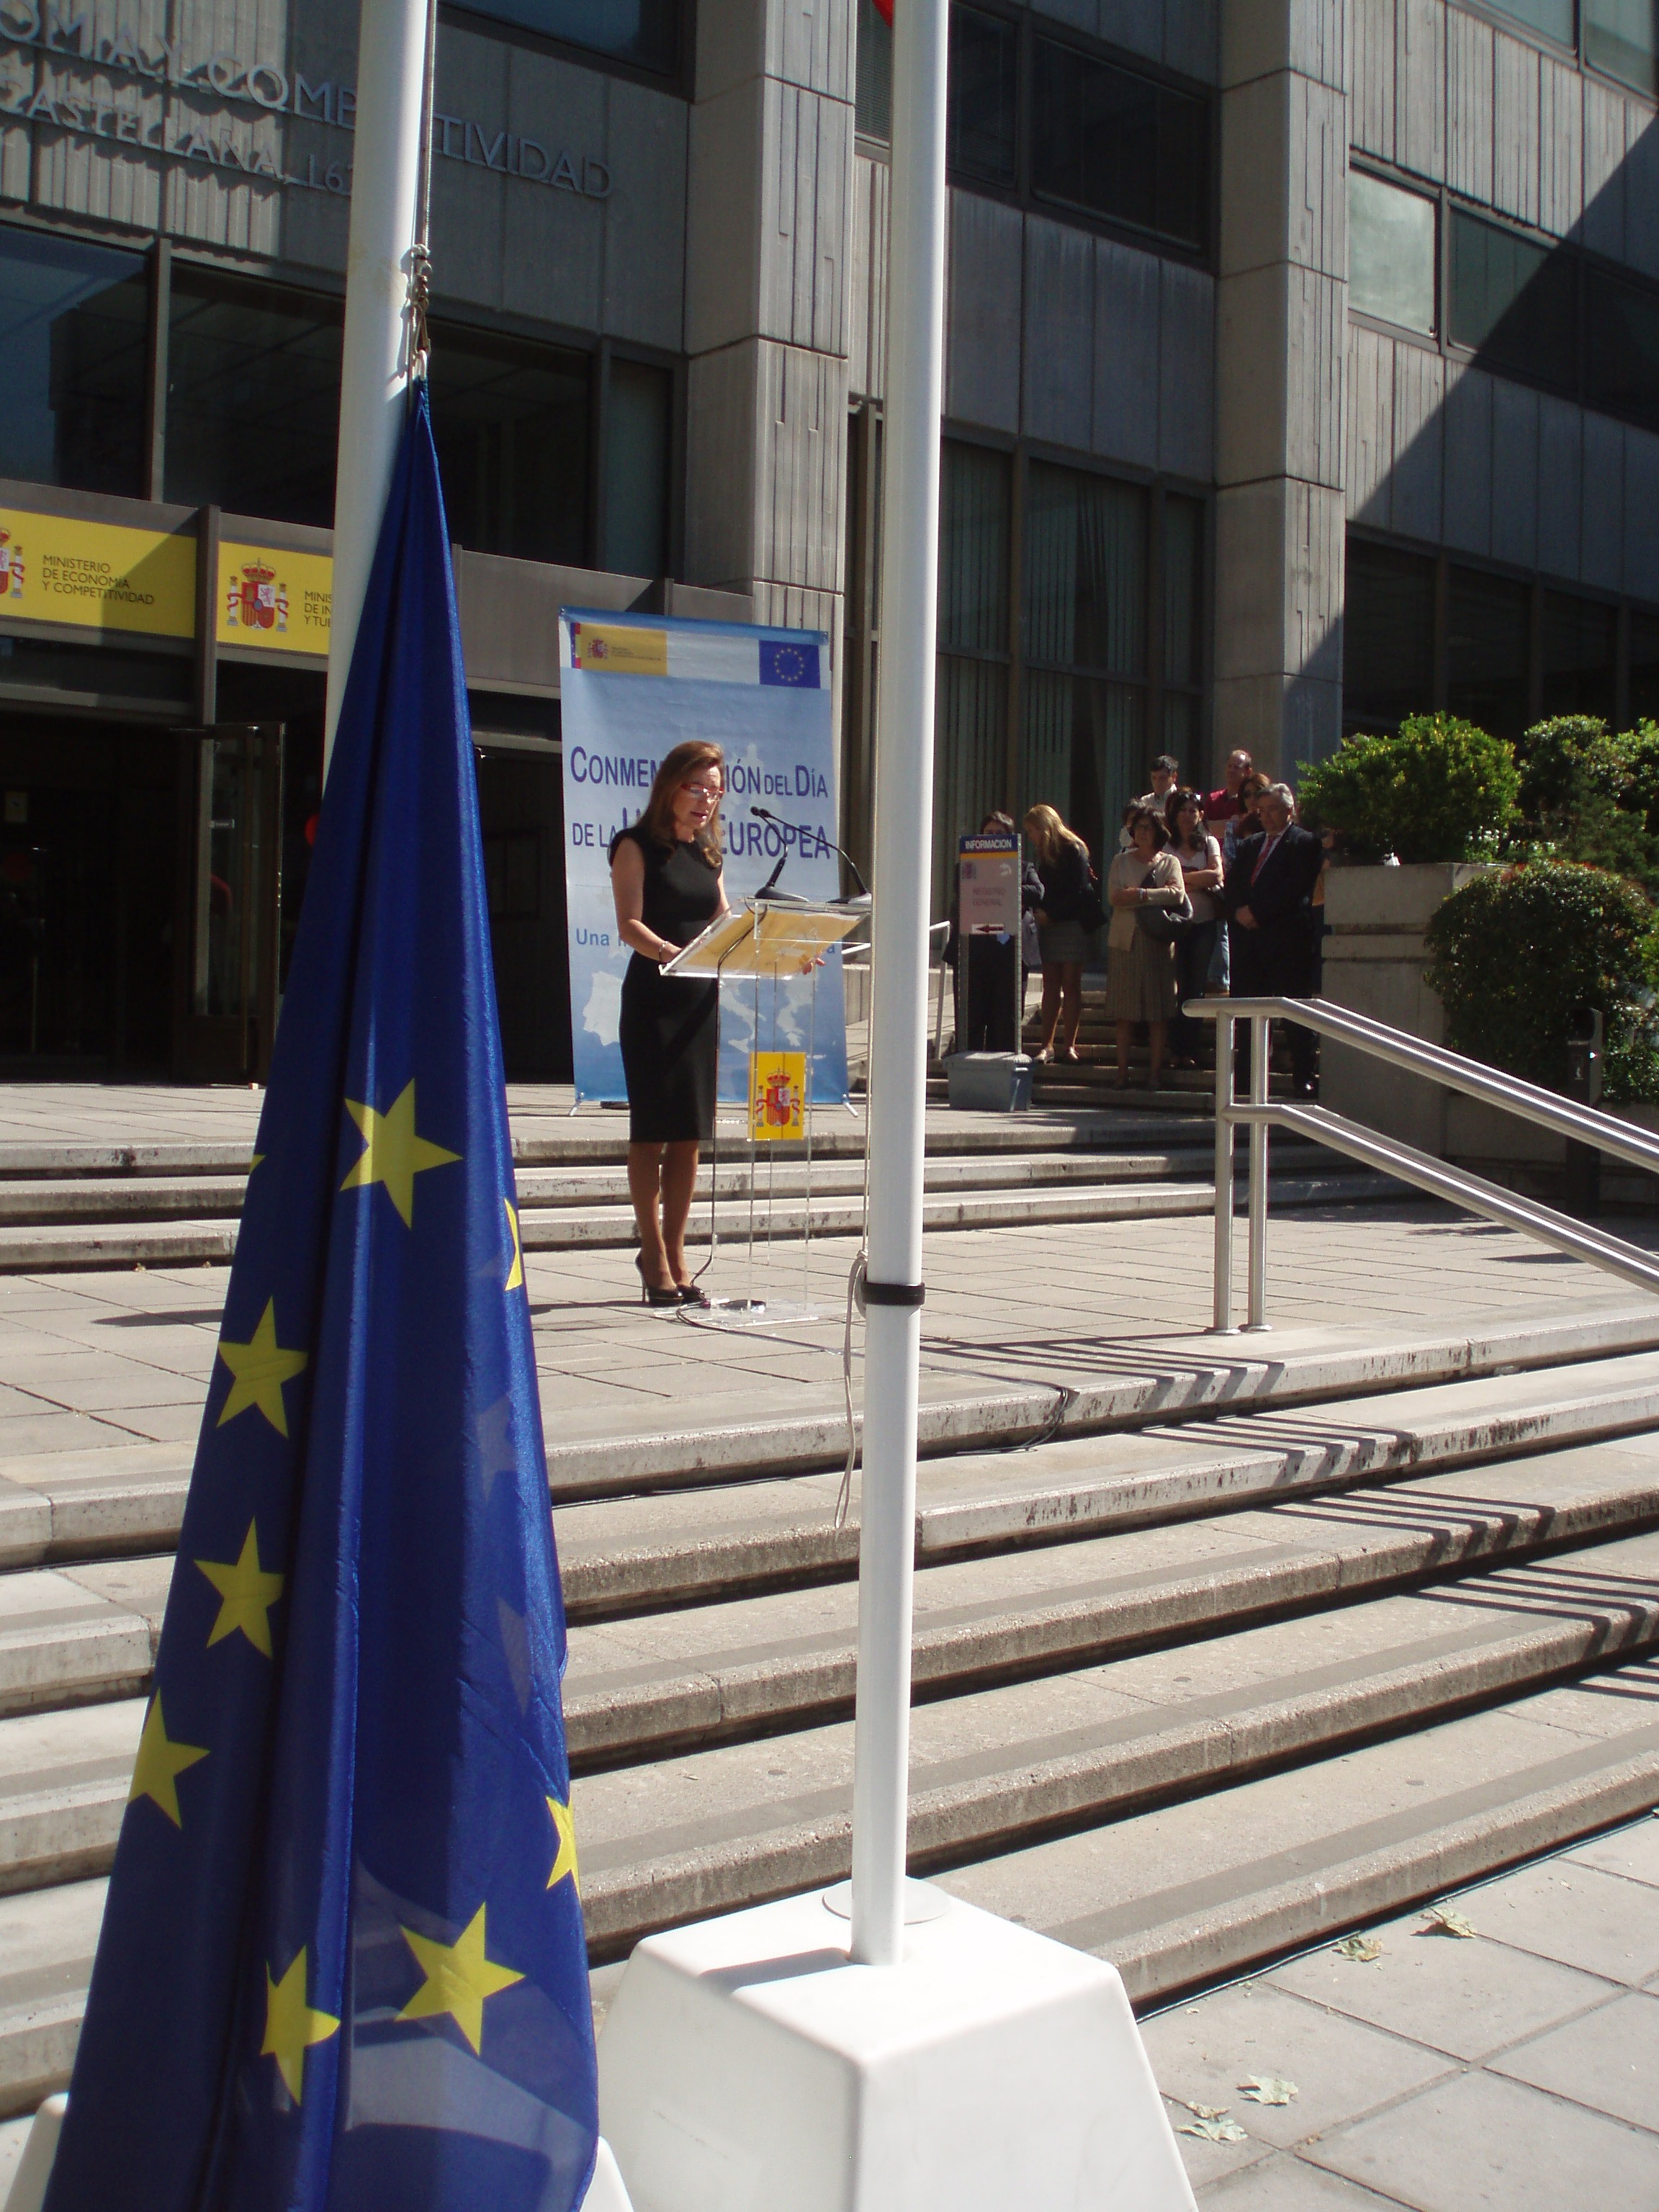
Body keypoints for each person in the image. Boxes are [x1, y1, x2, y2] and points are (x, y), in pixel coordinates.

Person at [609, 739, 729, 1305]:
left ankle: (678, 1251)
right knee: (653, 1130)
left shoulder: (708, 855)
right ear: (671, 787)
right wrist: (670, 953)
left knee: (689, 1135)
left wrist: (785, 951)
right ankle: (651, 1251)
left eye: (716, 789)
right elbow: (629, 925)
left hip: (699, 1004)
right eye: (697, 787)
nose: (707, 799)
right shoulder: (635, 846)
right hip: (655, 1002)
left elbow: (726, 926)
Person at [1221, 780, 1323, 1096]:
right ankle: (1247, 1078)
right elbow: (1234, 884)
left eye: (1272, 811)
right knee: (1249, 1012)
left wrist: (1258, 913)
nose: (1265, 817)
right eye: (1261, 811)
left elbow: (1295, 890)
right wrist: (1239, 911)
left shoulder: (1305, 843)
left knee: (1294, 1011)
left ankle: (1304, 1075)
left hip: (1286, 940)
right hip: (1249, 944)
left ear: (1289, 811)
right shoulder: (1250, 845)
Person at [1105, 805, 1189, 1089]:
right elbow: (1115, 897)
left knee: (1157, 1011)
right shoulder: (1121, 861)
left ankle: (1154, 1074)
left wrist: (1140, 894)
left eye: (1148, 827)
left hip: (1157, 944)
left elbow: (1177, 894)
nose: (1142, 832)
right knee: (1124, 1012)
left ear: (1158, 832)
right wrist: (1149, 897)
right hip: (1124, 943)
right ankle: (1120, 1073)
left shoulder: (1169, 863)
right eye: (1138, 827)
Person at [1023, 802, 1096, 1064]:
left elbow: (1079, 890)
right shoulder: (1044, 854)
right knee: (1051, 985)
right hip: (1049, 925)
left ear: (1045, 827)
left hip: (1072, 923)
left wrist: (1052, 914)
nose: (1030, 837)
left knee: (1071, 984)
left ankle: (1070, 1045)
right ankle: (1047, 1045)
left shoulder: (1074, 849)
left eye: (1032, 830)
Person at [1164, 788, 1223, 1064]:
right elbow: (1163, 882)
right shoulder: (1166, 845)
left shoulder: (1209, 843)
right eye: (1182, 810)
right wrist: (1193, 879)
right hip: (1174, 923)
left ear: (1200, 814)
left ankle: (1188, 1047)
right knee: (1177, 983)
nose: (1188, 816)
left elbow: (1216, 875)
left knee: (1196, 984)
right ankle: (1174, 1046)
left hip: (1204, 921)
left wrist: (1182, 878)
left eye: (1193, 810)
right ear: (1174, 815)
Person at [1120, 753, 1181, 848]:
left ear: (1174, 777)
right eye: (1154, 778)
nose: (1157, 783)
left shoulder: (1181, 801)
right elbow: (1129, 837)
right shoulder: (1145, 801)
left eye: (1162, 778)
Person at [1205, 749, 1255, 827]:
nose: (1231, 770)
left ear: (1248, 772)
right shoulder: (1213, 799)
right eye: (1229, 766)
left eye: (1237, 767)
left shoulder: (1250, 799)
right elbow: (1204, 828)